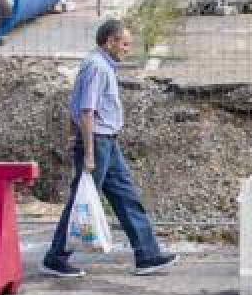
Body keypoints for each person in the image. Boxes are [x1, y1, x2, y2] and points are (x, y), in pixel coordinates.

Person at [43, 18, 177, 278]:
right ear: (110, 41)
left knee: (126, 197)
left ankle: (147, 255)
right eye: (125, 44)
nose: (128, 49)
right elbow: (86, 111)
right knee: (79, 200)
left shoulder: (101, 64)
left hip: (107, 142)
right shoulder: (97, 67)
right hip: (98, 143)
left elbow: (78, 103)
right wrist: (89, 153)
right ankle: (55, 258)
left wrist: (76, 138)